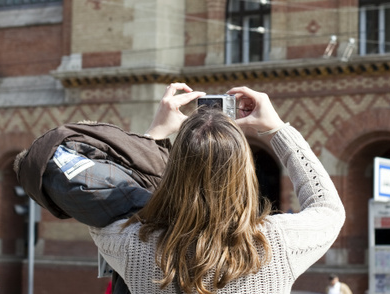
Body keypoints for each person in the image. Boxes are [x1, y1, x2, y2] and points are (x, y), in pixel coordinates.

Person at [90, 84, 345, 294]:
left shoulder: (131, 245)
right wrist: (277, 129)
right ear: (245, 173)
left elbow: (97, 205)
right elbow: (328, 208)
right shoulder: (276, 244)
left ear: (175, 173)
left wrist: (154, 135)